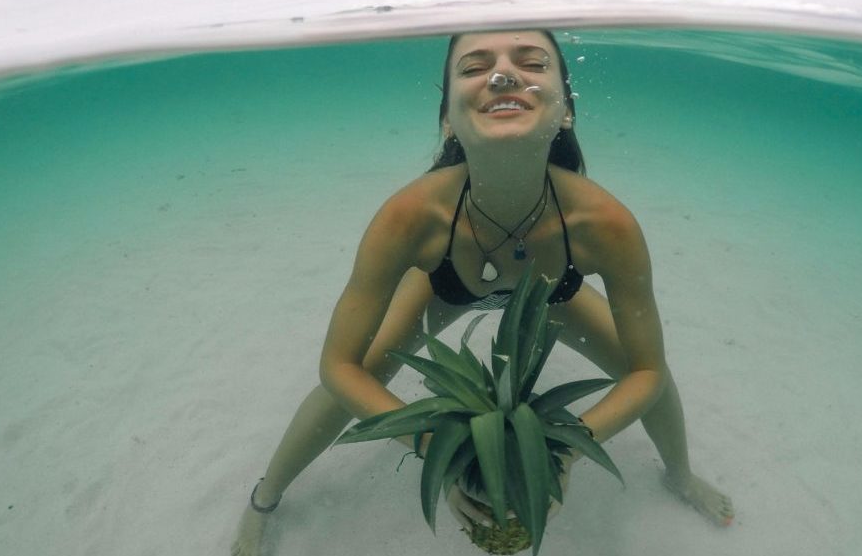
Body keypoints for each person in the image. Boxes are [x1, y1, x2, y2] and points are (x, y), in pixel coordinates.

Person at [231, 29, 734, 556]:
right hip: (443, 286)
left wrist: (561, 454)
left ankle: (680, 475)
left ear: (566, 109)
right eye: (474, 68)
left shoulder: (605, 224)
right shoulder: (409, 217)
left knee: (649, 369)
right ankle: (265, 498)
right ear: (449, 119)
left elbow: (648, 372)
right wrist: (437, 450)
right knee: (361, 372)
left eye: (533, 63)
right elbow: (337, 367)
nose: (502, 74)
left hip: (550, 293)